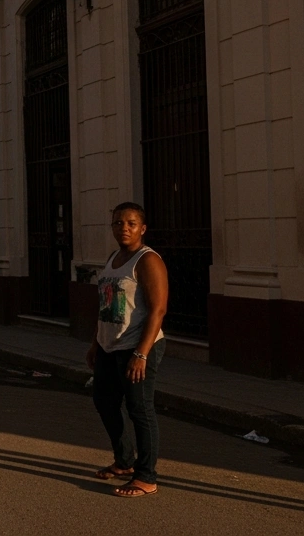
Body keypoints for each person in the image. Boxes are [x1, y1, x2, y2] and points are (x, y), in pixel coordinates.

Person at [88, 202, 168, 498]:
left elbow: (158, 310)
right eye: (118, 223)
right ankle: (124, 461)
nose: (124, 228)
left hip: (137, 346)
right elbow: (105, 306)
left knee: (140, 409)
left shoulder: (147, 260)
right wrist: (95, 343)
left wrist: (141, 353)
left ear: (142, 228)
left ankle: (146, 476)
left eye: (131, 223)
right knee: (104, 402)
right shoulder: (114, 258)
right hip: (110, 346)